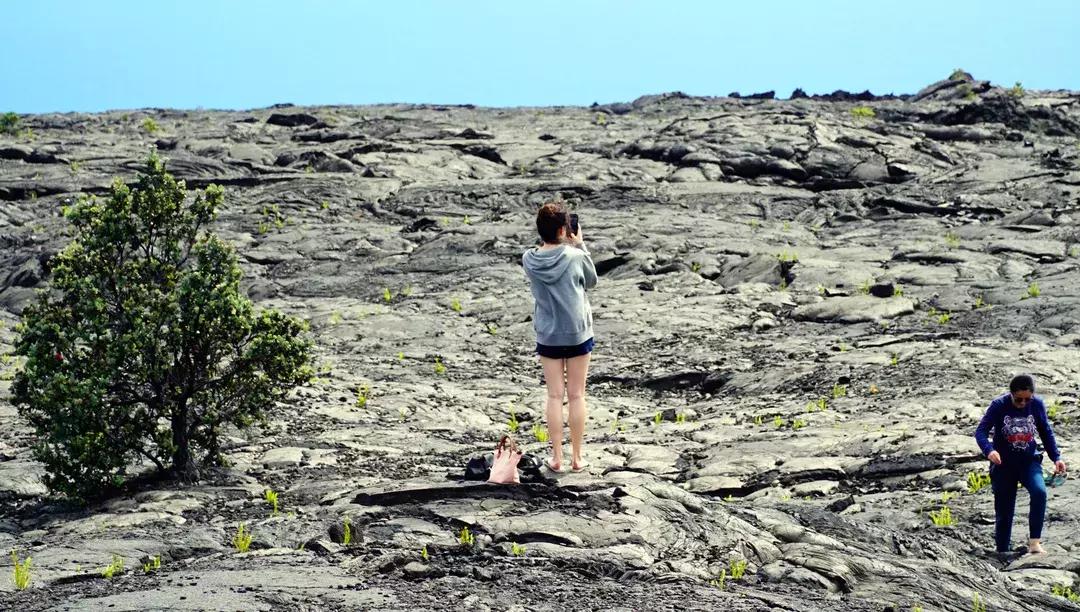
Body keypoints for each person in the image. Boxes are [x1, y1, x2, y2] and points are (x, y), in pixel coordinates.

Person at [522, 201, 597, 474]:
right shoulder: (575, 256)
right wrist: (580, 246)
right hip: (577, 332)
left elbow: (542, 255)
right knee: (576, 395)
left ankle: (556, 458)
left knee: (554, 396)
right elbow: (591, 281)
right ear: (566, 229)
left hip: (548, 333)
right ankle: (577, 459)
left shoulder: (529, 259)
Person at [974, 374, 1067, 555]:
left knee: (1040, 492)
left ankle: (1034, 543)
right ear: (1011, 394)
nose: (1023, 403)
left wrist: (1056, 457)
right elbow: (980, 432)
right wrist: (989, 450)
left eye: (1027, 399)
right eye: (1018, 400)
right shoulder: (998, 406)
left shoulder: (1037, 405)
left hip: (1028, 462)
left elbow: (1046, 432)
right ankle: (1002, 552)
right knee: (1004, 512)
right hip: (1003, 465)